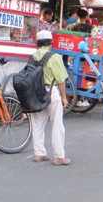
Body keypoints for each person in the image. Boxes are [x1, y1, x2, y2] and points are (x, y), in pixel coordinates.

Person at [29, 30, 71, 166]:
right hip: (51, 92)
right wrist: (64, 97)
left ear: (37, 43)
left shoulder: (32, 56)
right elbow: (61, 80)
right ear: (51, 43)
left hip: (36, 93)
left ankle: (39, 153)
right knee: (57, 125)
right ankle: (59, 156)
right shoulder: (55, 57)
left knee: (37, 123)